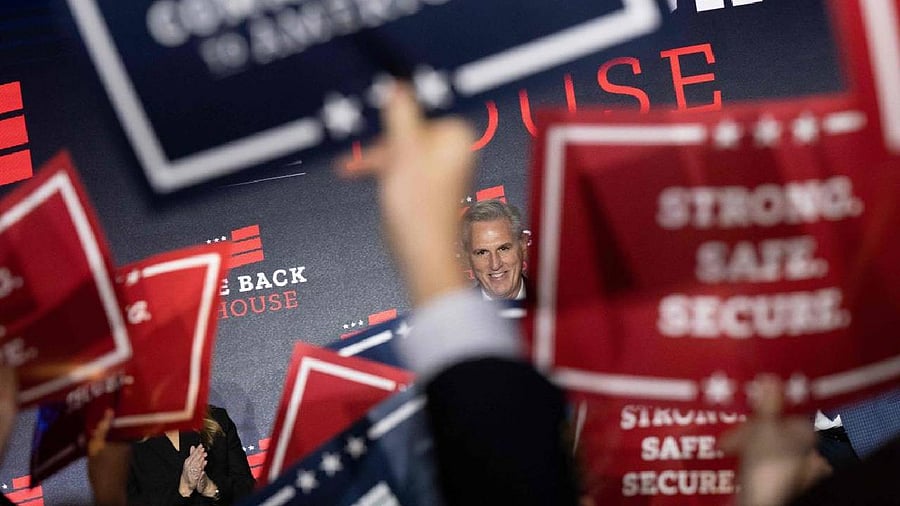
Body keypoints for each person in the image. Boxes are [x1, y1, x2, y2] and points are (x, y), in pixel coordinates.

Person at [127, 405, 255, 505]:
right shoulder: (125, 443)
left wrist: (210, 488)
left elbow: (247, 489)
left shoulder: (218, 420)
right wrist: (183, 489)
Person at [460, 199, 529, 300]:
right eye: (482, 252)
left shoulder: (554, 303)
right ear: (467, 256)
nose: (495, 265)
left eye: (503, 249)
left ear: (523, 244)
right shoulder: (452, 314)